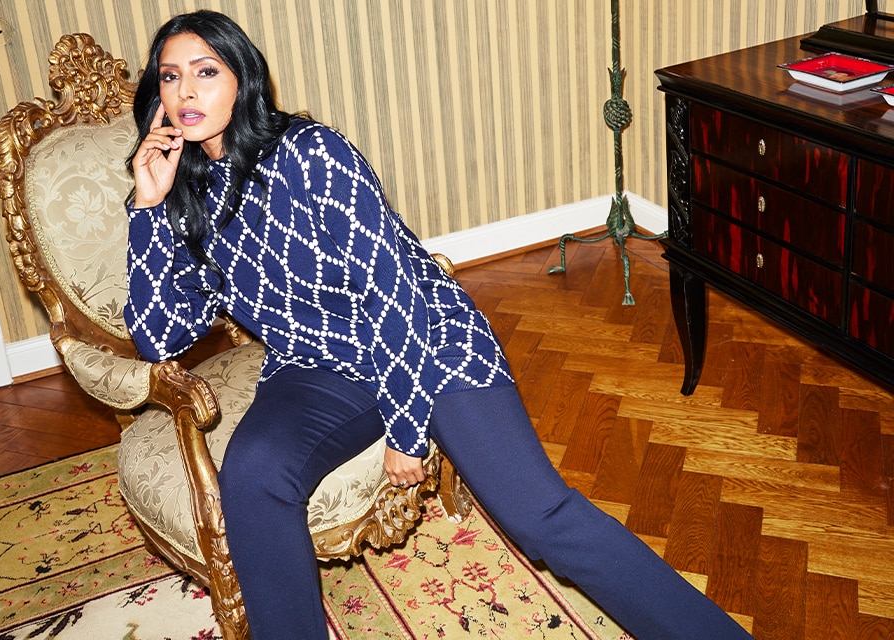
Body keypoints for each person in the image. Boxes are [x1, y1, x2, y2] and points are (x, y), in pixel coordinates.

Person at [124, 10, 753, 640]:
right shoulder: (188, 195)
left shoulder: (312, 153)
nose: (186, 92)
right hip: (314, 367)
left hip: (427, 343)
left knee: (541, 517)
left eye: (206, 72)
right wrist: (148, 209)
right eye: (171, 76)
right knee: (253, 472)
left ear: (243, 79)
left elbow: (394, 297)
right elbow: (161, 337)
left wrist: (406, 429)